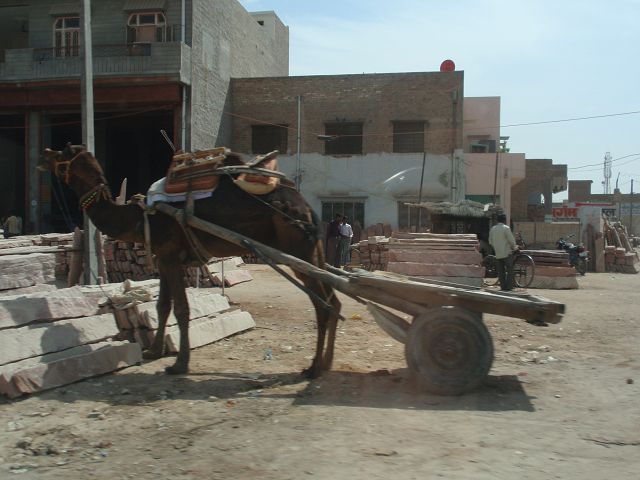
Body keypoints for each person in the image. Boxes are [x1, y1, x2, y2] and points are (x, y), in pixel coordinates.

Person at [488, 213, 517, 291]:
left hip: (498, 253)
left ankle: (503, 287)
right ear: (504, 220)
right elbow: (511, 240)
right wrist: (515, 247)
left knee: (501, 271)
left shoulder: (493, 229)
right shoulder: (506, 228)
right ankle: (509, 287)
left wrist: (496, 248)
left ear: (497, 220)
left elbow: (490, 241)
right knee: (510, 270)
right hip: (507, 253)